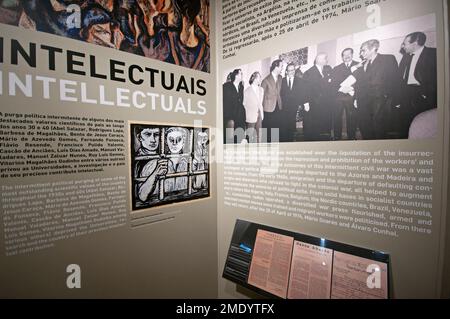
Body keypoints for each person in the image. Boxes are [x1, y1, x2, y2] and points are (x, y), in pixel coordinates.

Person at [352, 39, 401, 140]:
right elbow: (359, 83)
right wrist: (356, 98)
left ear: (373, 49)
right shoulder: (362, 64)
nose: (361, 54)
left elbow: (395, 79)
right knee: (364, 126)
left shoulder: (388, 59)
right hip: (363, 101)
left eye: (363, 50)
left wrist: (395, 99)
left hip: (380, 99)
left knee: (379, 127)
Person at [398, 32, 437, 138]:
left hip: (422, 95)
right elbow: (400, 77)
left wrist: (426, 94)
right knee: (406, 124)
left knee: (423, 125)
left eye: (404, 43)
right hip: (406, 94)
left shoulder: (433, 54)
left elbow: (437, 77)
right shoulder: (405, 57)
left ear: (414, 43)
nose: (402, 46)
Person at [330, 48, 359, 140]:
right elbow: (333, 83)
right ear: (342, 57)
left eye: (348, 54)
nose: (346, 56)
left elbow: (362, 81)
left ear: (352, 54)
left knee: (352, 118)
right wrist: (342, 88)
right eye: (344, 55)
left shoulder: (359, 65)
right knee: (337, 117)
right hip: (339, 97)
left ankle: (351, 137)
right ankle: (337, 137)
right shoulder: (336, 68)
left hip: (352, 96)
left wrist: (352, 88)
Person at [303, 53, 333, 141]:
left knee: (322, 127)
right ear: (319, 60)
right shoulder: (309, 73)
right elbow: (305, 90)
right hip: (314, 105)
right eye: (325, 58)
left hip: (324, 105)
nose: (327, 60)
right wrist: (306, 103)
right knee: (313, 127)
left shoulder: (327, 70)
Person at [135, 127, 168, 203]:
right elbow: (142, 196)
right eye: (147, 134)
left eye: (156, 134)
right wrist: (155, 173)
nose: (153, 140)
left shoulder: (164, 155)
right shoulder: (137, 160)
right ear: (139, 137)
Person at [280, 63, 307, 142]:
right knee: (284, 124)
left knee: (292, 123)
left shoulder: (299, 81)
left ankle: (291, 140)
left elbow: (302, 93)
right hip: (283, 107)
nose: (291, 72)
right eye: (289, 70)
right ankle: (284, 140)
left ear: (294, 71)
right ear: (286, 71)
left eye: (293, 70)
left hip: (294, 106)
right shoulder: (282, 81)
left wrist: (300, 104)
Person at [261, 59, 283, 143]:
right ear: (276, 67)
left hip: (278, 106)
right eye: (281, 66)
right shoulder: (265, 80)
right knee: (267, 130)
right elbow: (261, 96)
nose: (282, 68)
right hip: (268, 108)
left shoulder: (280, 78)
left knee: (276, 128)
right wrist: (261, 111)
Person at [223, 69, 246, 143]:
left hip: (240, 114)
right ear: (236, 75)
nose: (242, 75)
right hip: (230, 114)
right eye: (240, 74)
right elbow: (225, 101)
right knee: (229, 137)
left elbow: (241, 101)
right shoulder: (226, 86)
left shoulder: (241, 87)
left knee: (239, 136)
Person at [165, 127, 188, 193]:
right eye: (171, 140)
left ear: (183, 142)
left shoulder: (187, 163)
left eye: (179, 139)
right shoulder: (161, 163)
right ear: (166, 142)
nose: (174, 143)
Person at [243, 72, 264, 143]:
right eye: (259, 77)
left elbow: (260, 103)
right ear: (254, 78)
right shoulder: (247, 91)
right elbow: (244, 104)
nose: (260, 79)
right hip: (250, 116)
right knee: (250, 136)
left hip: (259, 115)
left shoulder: (261, 90)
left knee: (259, 135)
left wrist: (262, 114)